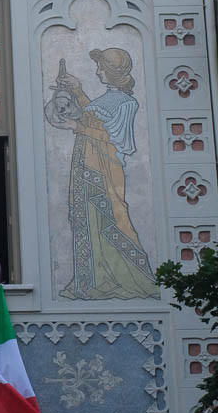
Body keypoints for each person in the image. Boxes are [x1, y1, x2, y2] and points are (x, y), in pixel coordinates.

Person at [50, 48, 157, 300]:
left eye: (101, 67)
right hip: (86, 166)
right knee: (87, 222)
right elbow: (92, 117)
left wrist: (76, 126)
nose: (98, 72)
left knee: (113, 218)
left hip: (105, 170)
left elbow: (113, 138)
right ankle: (90, 281)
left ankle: (132, 278)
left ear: (113, 71)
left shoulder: (127, 103)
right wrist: (76, 89)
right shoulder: (106, 98)